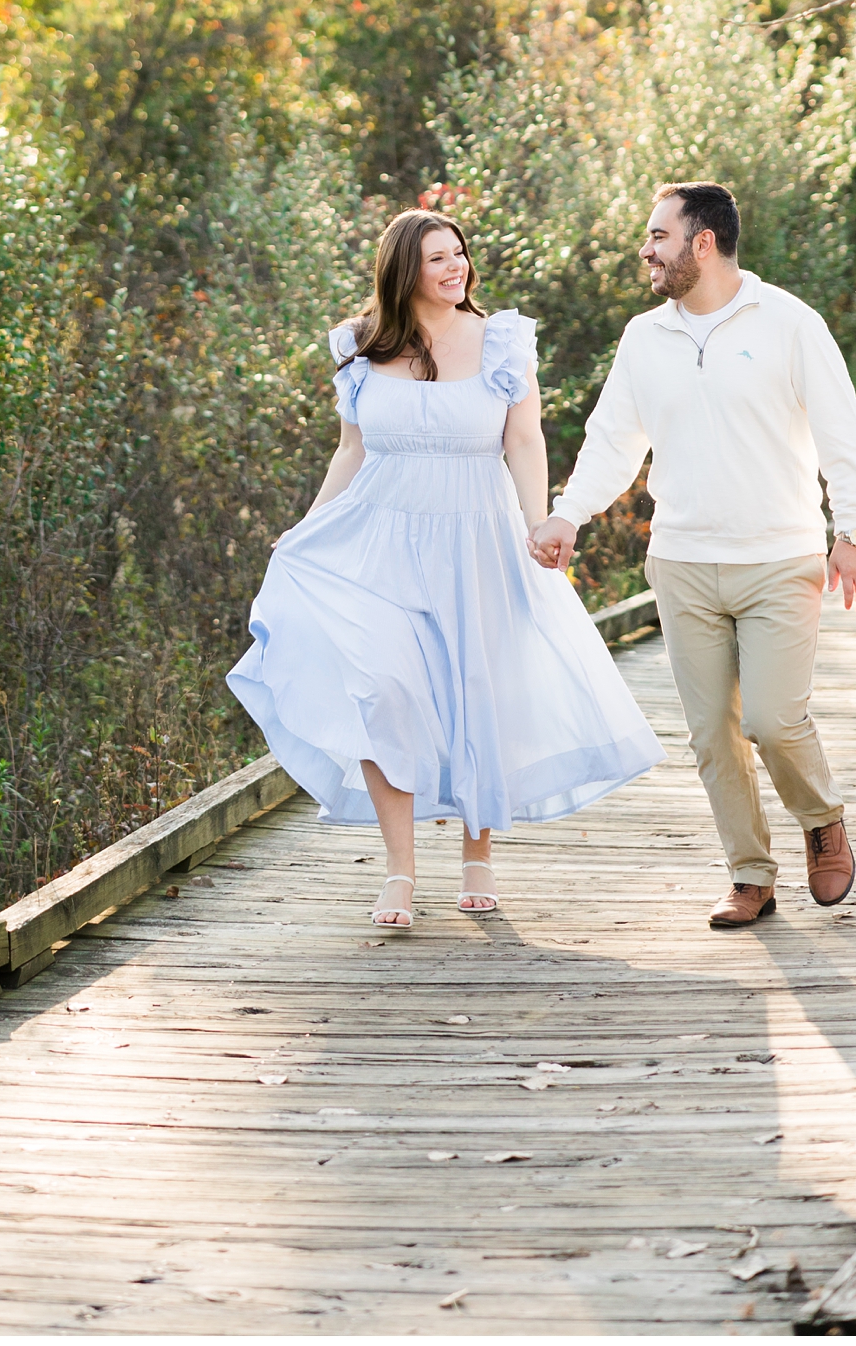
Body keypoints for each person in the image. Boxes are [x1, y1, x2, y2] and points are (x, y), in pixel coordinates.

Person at [228, 209, 665, 928]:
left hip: (478, 534)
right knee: (381, 689)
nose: (455, 267)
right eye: (437, 258)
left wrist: (537, 523)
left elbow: (524, 440)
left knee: (477, 688)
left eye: (459, 253)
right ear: (404, 270)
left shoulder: (502, 340)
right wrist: (308, 526)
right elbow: (351, 451)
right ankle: (399, 871)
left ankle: (476, 853)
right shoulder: (359, 347)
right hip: (378, 539)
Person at [529, 180, 856, 930]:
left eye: (658, 235)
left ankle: (822, 821)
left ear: (704, 242)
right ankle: (750, 874)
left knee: (777, 722)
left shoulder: (788, 322)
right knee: (712, 731)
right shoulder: (643, 337)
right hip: (682, 560)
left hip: (780, 555)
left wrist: (851, 533)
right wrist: (568, 513)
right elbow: (613, 440)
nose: (645, 250)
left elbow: (841, 432)